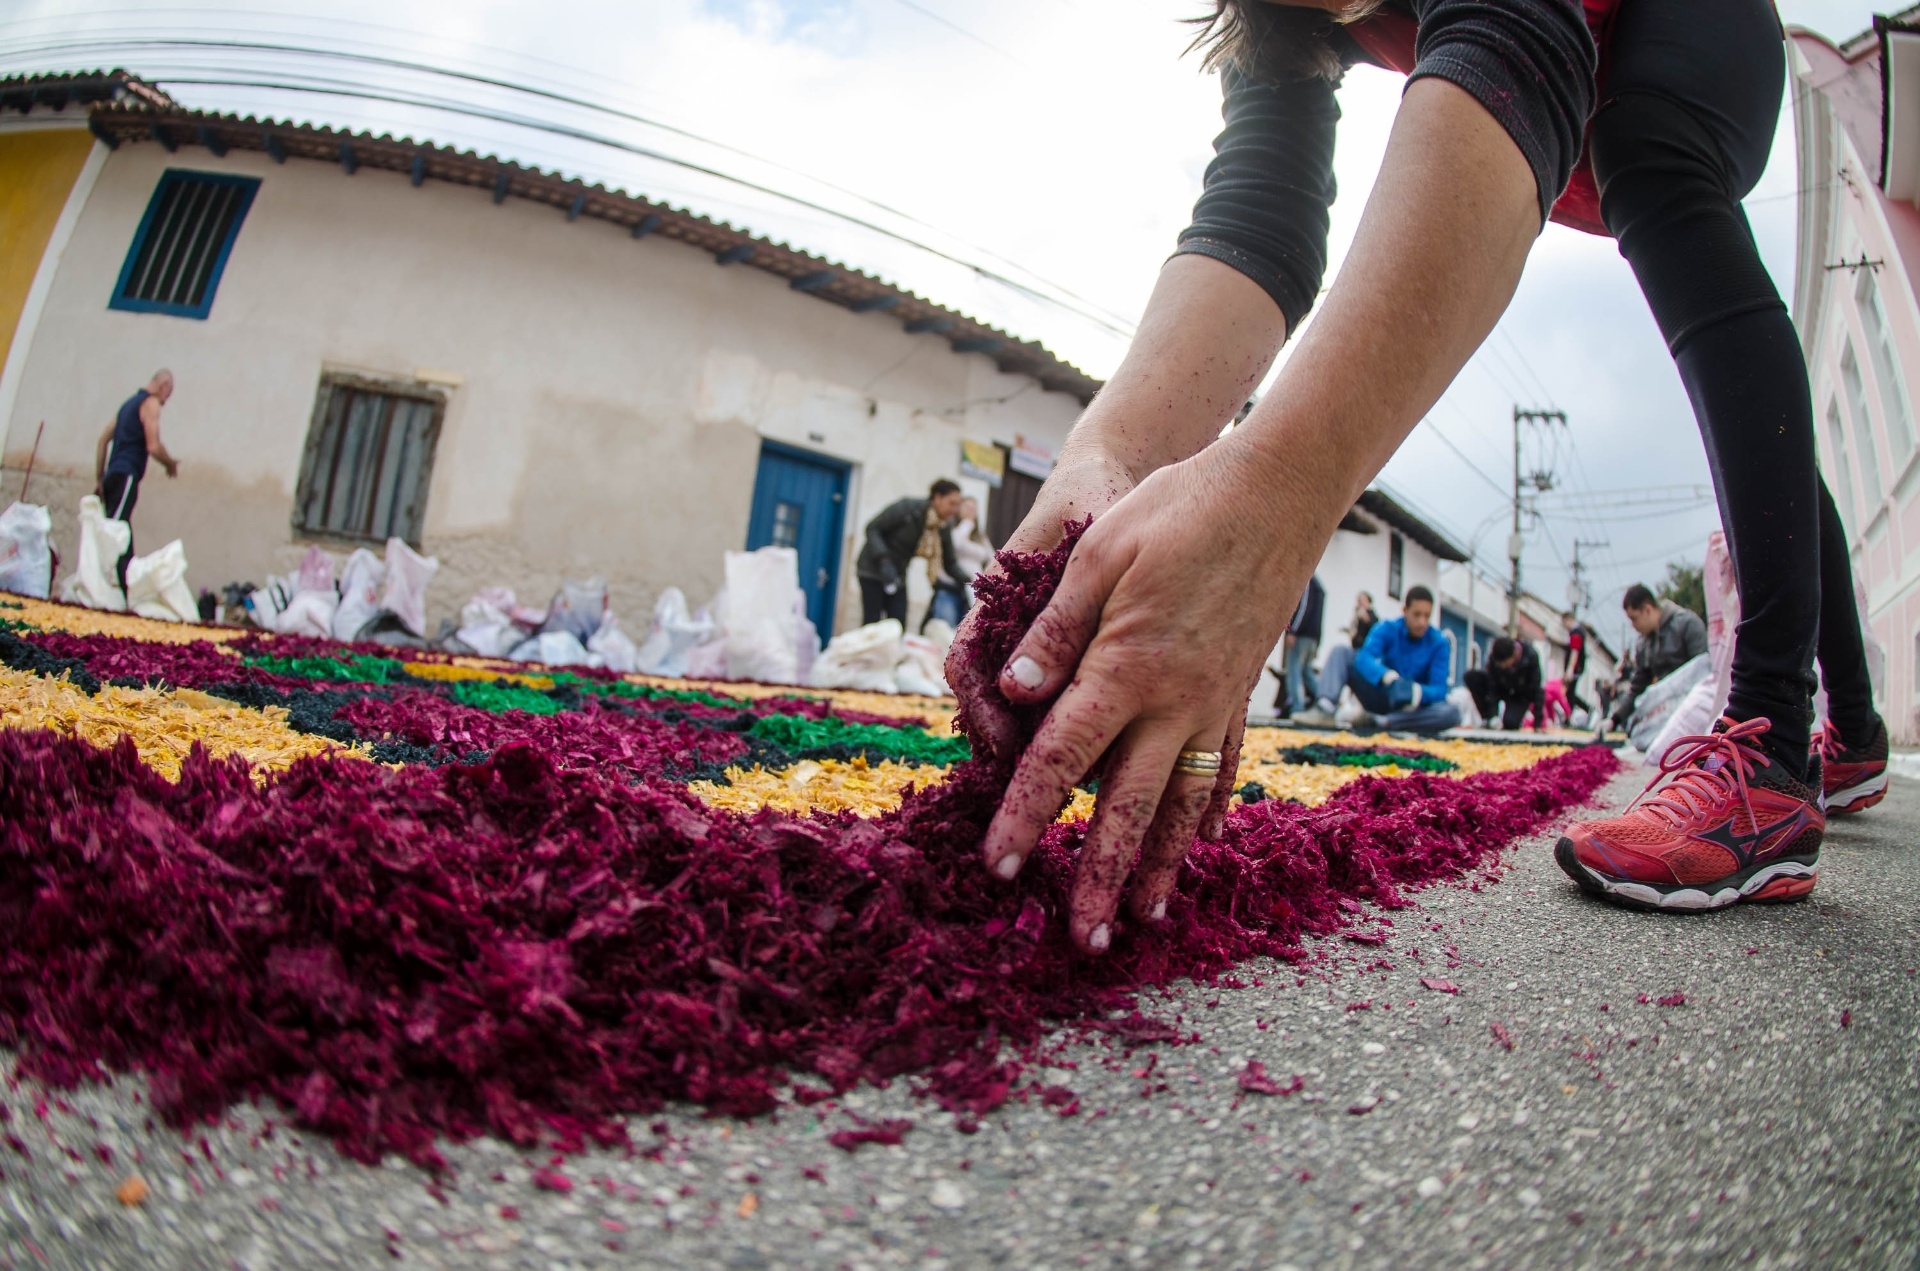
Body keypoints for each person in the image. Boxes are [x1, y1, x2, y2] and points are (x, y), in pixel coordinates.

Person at [946, 0, 1890, 953]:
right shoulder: (1273, 19)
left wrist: (1273, 494)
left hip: (1685, 28)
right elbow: (1259, 215)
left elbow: (1518, 39)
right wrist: (1108, 453)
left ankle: (1773, 739)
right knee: (1756, 435)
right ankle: (1852, 735)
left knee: (1659, 165)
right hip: (1540, 97)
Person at [1292, 586, 1460, 735]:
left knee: (1452, 712)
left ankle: (1383, 722)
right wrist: (1385, 676)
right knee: (1341, 653)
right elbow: (1364, 658)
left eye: (1427, 616)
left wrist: (1416, 693)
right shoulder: (1387, 628)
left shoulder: (1439, 642)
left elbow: (1439, 689)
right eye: (1417, 615)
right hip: (1380, 694)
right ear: (1405, 610)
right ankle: (1325, 708)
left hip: (1411, 710)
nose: (1422, 622)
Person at [94, 369, 179, 598]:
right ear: (163, 386)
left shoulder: (127, 406)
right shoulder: (150, 403)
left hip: (113, 474)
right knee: (116, 530)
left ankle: (127, 587)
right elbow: (153, 445)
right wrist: (170, 464)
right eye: (167, 396)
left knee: (122, 529)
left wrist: (99, 478)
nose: (164, 402)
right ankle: (108, 587)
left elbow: (103, 441)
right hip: (127, 473)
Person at [856, 479, 967, 628]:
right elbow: (873, 528)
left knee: (897, 623)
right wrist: (884, 560)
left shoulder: (942, 527)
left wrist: (970, 582)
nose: (954, 510)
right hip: (872, 569)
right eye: (951, 503)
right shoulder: (909, 508)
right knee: (872, 623)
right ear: (937, 498)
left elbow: (950, 562)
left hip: (898, 574)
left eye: (957, 505)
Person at [1606, 584, 1708, 732]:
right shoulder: (1644, 644)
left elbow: (1703, 675)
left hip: (1691, 712)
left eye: (1634, 619)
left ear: (1647, 609)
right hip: (1664, 714)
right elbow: (1637, 687)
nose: (1633, 626)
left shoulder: (1687, 624)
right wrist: (1614, 719)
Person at [928, 496, 993, 632]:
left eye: (974, 509)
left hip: (971, 593)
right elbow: (955, 543)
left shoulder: (980, 537)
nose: (971, 511)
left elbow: (992, 558)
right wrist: (967, 523)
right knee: (944, 631)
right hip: (951, 588)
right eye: (968, 507)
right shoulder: (952, 530)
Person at [1464, 636, 1546, 731]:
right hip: (1502, 687)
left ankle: (1509, 720)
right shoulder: (1496, 659)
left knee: (1510, 723)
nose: (1501, 666)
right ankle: (1488, 719)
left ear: (1514, 654)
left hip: (1520, 694)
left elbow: (1537, 689)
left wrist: (1538, 723)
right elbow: (1492, 686)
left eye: (1504, 663)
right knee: (1472, 676)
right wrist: (1492, 715)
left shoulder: (1530, 656)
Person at [1282, 573, 1325, 718]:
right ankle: (1325, 702)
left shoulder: (1308, 580)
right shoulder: (1320, 587)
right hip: (1312, 636)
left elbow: (1303, 607)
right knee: (1307, 671)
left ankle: (1297, 707)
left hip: (1302, 634)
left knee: (1293, 670)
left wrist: (1293, 630)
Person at [1560, 611, 1592, 717]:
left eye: (1564, 623)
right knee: (1570, 692)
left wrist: (1570, 669)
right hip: (1577, 667)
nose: (1564, 626)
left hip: (1575, 668)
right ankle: (1583, 710)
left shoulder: (1576, 633)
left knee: (1570, 692)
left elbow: (1575, 651)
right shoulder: (1577, 632)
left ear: (1569, 620)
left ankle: (1574, 713)